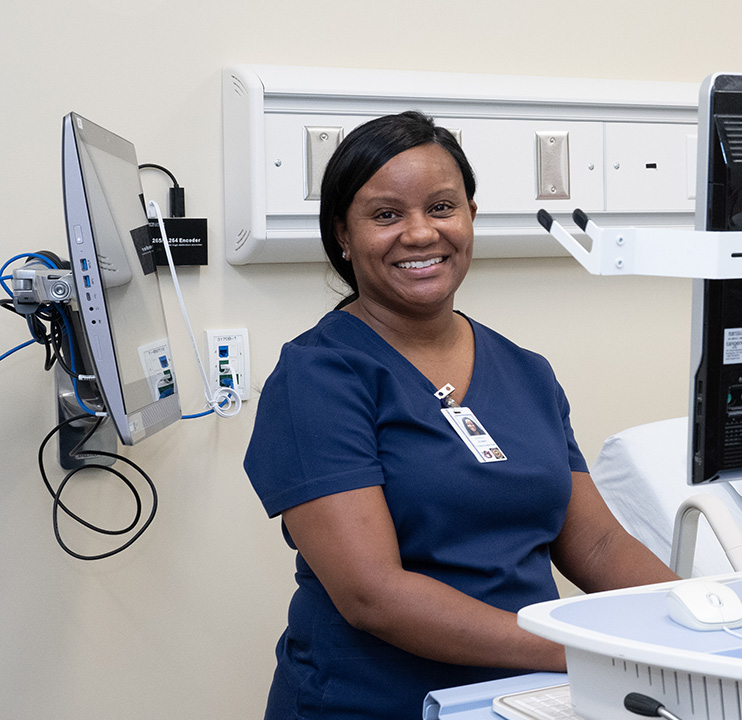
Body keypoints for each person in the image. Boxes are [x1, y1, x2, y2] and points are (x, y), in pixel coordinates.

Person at [244, 111, 679, 719]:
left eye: (442, 207)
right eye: (387, 214)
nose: (420, 234)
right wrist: (586, 650)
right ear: (343, 235)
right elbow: (374, 595)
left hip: (523, 700)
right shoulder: (318, 378)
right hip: (373, 705)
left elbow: (598, 545)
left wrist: (697, 620)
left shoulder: (526, 372)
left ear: (471, 215)